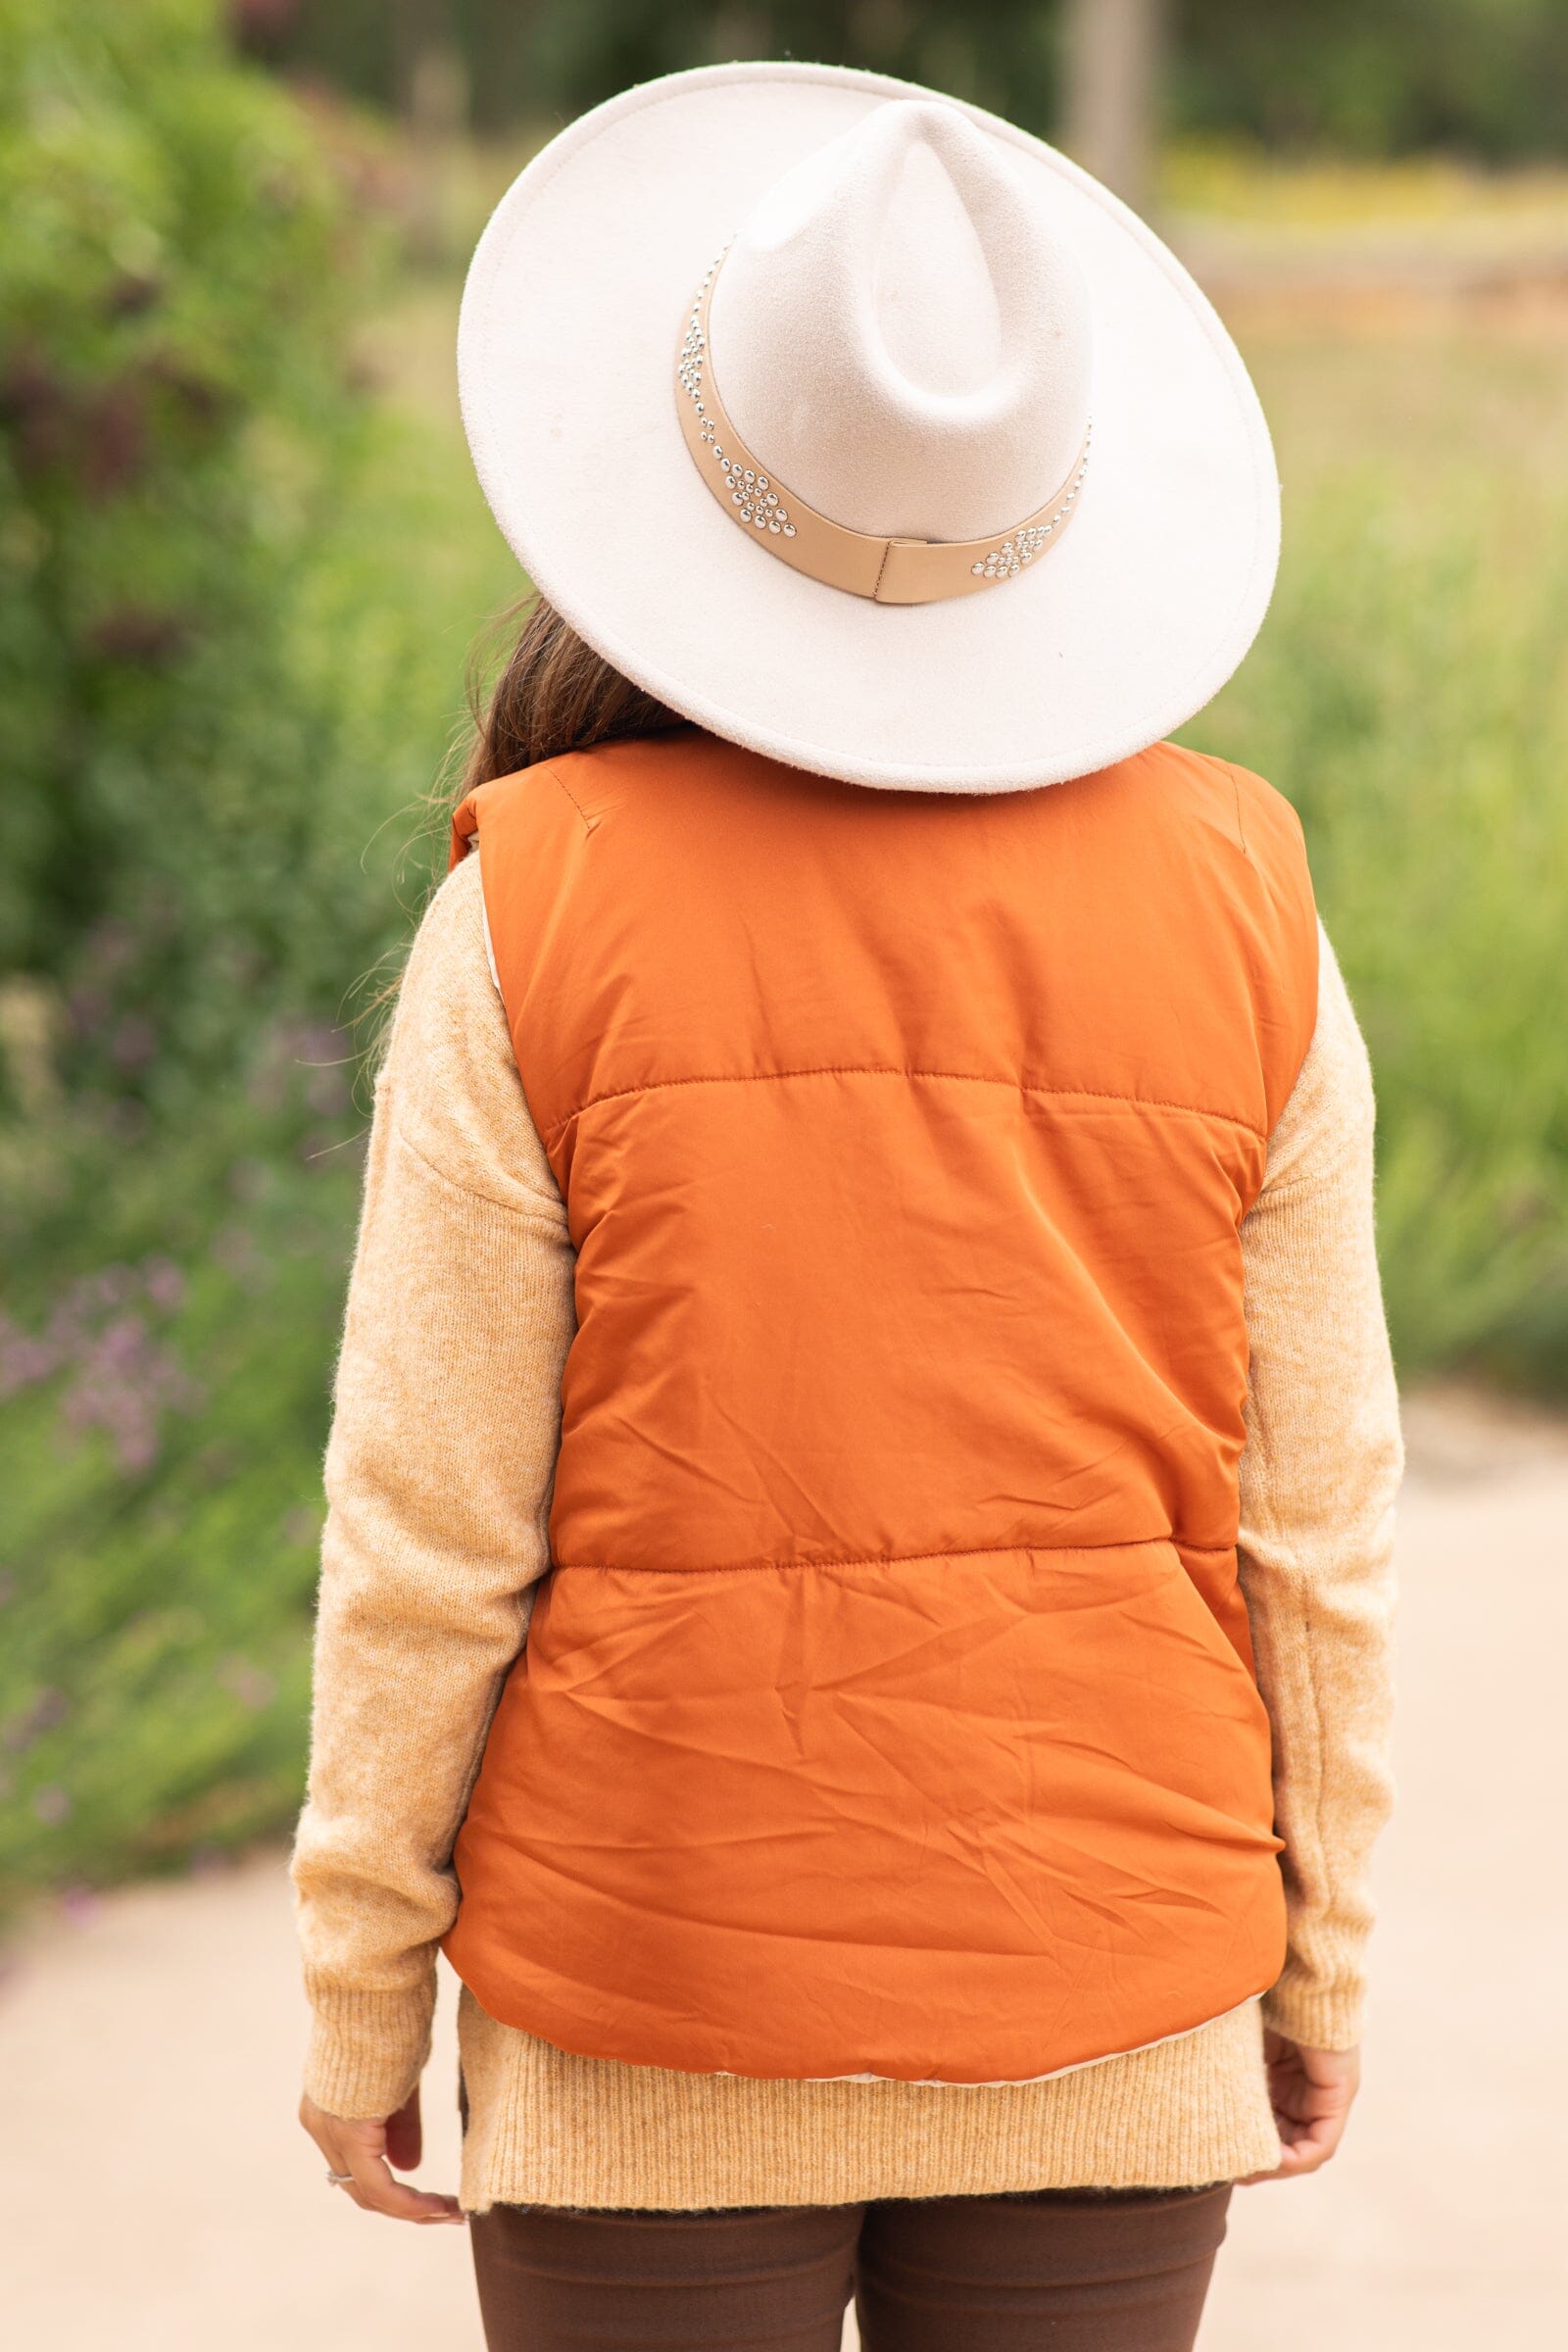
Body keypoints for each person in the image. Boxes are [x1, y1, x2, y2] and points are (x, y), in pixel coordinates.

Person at [291, 61, 1400, 2352]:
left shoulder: (530, 912)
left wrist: (359, 1977)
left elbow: (428, 1524)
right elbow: (1312, 1527)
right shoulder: (1242, 904)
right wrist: (1317, 1955)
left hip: (644, 1986)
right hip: (1114, 1978)